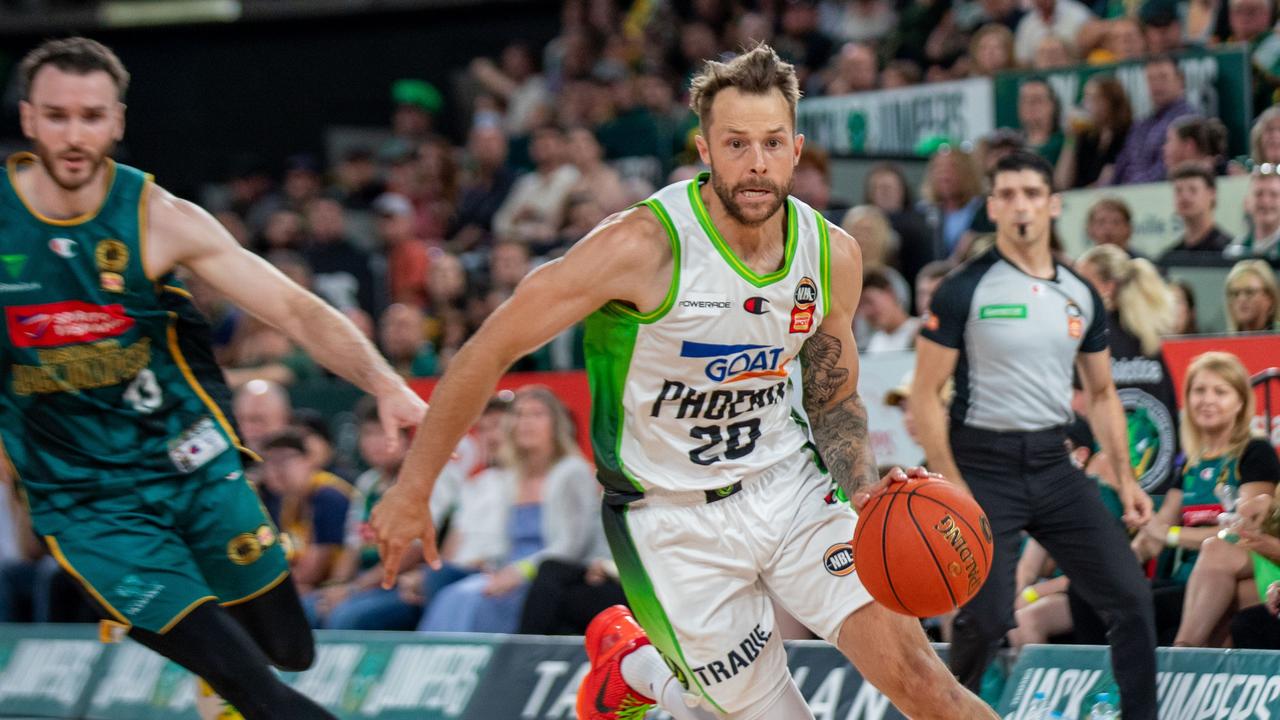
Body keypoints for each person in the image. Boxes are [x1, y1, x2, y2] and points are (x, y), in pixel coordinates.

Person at [371, 45, 996, 720]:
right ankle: (639, 669)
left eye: (771, 142)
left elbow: (834, 397)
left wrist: (869, 493)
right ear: (704, 149)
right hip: (670, 521)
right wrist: (414, 488)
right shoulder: (641, 247)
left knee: (932, 692)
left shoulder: (830, 253)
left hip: (790, 490)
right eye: (736, 144)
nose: (756, 163)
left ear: (797, 149)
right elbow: (485, 351)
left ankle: (663, 679)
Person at [0, 38, 426, 720]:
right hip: (89, 505)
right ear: (27, 120)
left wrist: (383, 384)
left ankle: (213, 640)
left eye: (90, 116)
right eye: (56, 116)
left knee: (291, 651)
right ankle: (203, 653)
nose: (73, 135)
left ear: (117, 121)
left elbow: (291, 306)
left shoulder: (158, 219)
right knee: (256, 691)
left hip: (192, 467)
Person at [911, 150, 1157, 718]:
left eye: (1031, 193)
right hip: (982, 465)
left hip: (1053, 462)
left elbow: (1100, 395)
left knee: (1132, 600)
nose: (1021, 205)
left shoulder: (1081, 293)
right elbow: (925, 395)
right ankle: (941, 711)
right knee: (987, 617)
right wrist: (952, 484)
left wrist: (1125, 478)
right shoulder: (962, 288)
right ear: (993, 206)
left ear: (1052, 204)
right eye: (1009, 194)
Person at [418, 386, 598, 633]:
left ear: (556, 424)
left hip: (546, 579)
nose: (526, 423)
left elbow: (571, 546)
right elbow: (503, 543)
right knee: (453, 597)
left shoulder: (572, 472)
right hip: (504, 572)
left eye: (537, 414)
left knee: (472, 602)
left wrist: (519, 572)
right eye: (519, 415)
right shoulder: (511, 477)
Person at [1128, 352, 1278, 641]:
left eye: (1220, 392)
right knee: (1110, 597)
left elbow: (1245, 534)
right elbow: (1153, 534)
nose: (1207, 400)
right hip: (1186, 578)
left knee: (1210, 560)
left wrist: (1170, 535)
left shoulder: (1255, 452)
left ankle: (1183, 652)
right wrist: (1119, 562)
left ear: (1240, 402)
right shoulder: (1188, 463)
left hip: (1229, 569)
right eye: (1199, 391)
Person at [1076, 245, 1180, 495]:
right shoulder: (1153, 337)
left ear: (1107, 287)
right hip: (1160, 478)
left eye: (1081, 281)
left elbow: (1080, 403)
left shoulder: (1093, 338)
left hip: (1111, 480)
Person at [1111, 57, 1199, 185]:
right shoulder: (1140, 125)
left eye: (1163, 77)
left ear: (1180, 80)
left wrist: (1130, 188)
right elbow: (1121, 165)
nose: (1156, 85)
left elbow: (1166, 171)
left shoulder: (1189, 120)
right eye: (1151, 79)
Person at [1158, 164, 1233, 263]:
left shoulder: (1230, 252)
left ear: (1212, 194)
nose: (1185, 196)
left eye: (1193, 190)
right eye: (1178, 191)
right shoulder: (1170, 258)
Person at [1223, 259, 1280, 333]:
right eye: (1235, 294)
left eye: (1249, 292)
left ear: (1270, 299)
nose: (1241, 299)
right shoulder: (1221, 342)